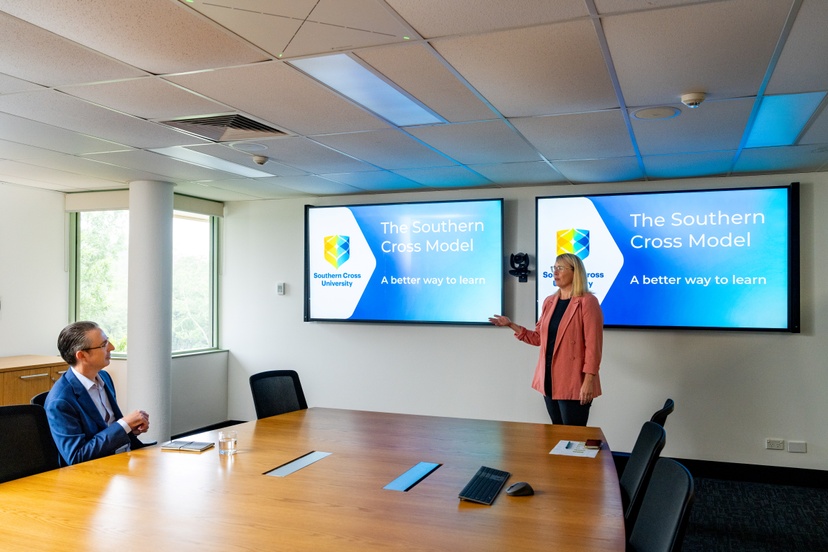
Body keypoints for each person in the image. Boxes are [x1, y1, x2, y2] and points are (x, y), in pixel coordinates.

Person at [489, 253, 603, 426]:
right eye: (554, 268)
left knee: (573, 437)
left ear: (575, 272)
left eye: (560, 268)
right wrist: (511, 325)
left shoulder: (587, 302)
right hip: (549, 379)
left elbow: (593, 346)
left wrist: (589, 380)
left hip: (574, 381)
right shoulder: (550, 301)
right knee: (556, 434)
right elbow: (537, 338)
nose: (555, 272)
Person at [45, 321, 150, 465]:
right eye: (104, 345)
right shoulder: (60, 401)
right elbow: (77, 456)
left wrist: (131, 428)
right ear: (82, 355)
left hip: (122, 459)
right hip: (95, 472)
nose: (112, 347)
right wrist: (124, 425)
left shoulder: (104, 377)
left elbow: (106, 428)